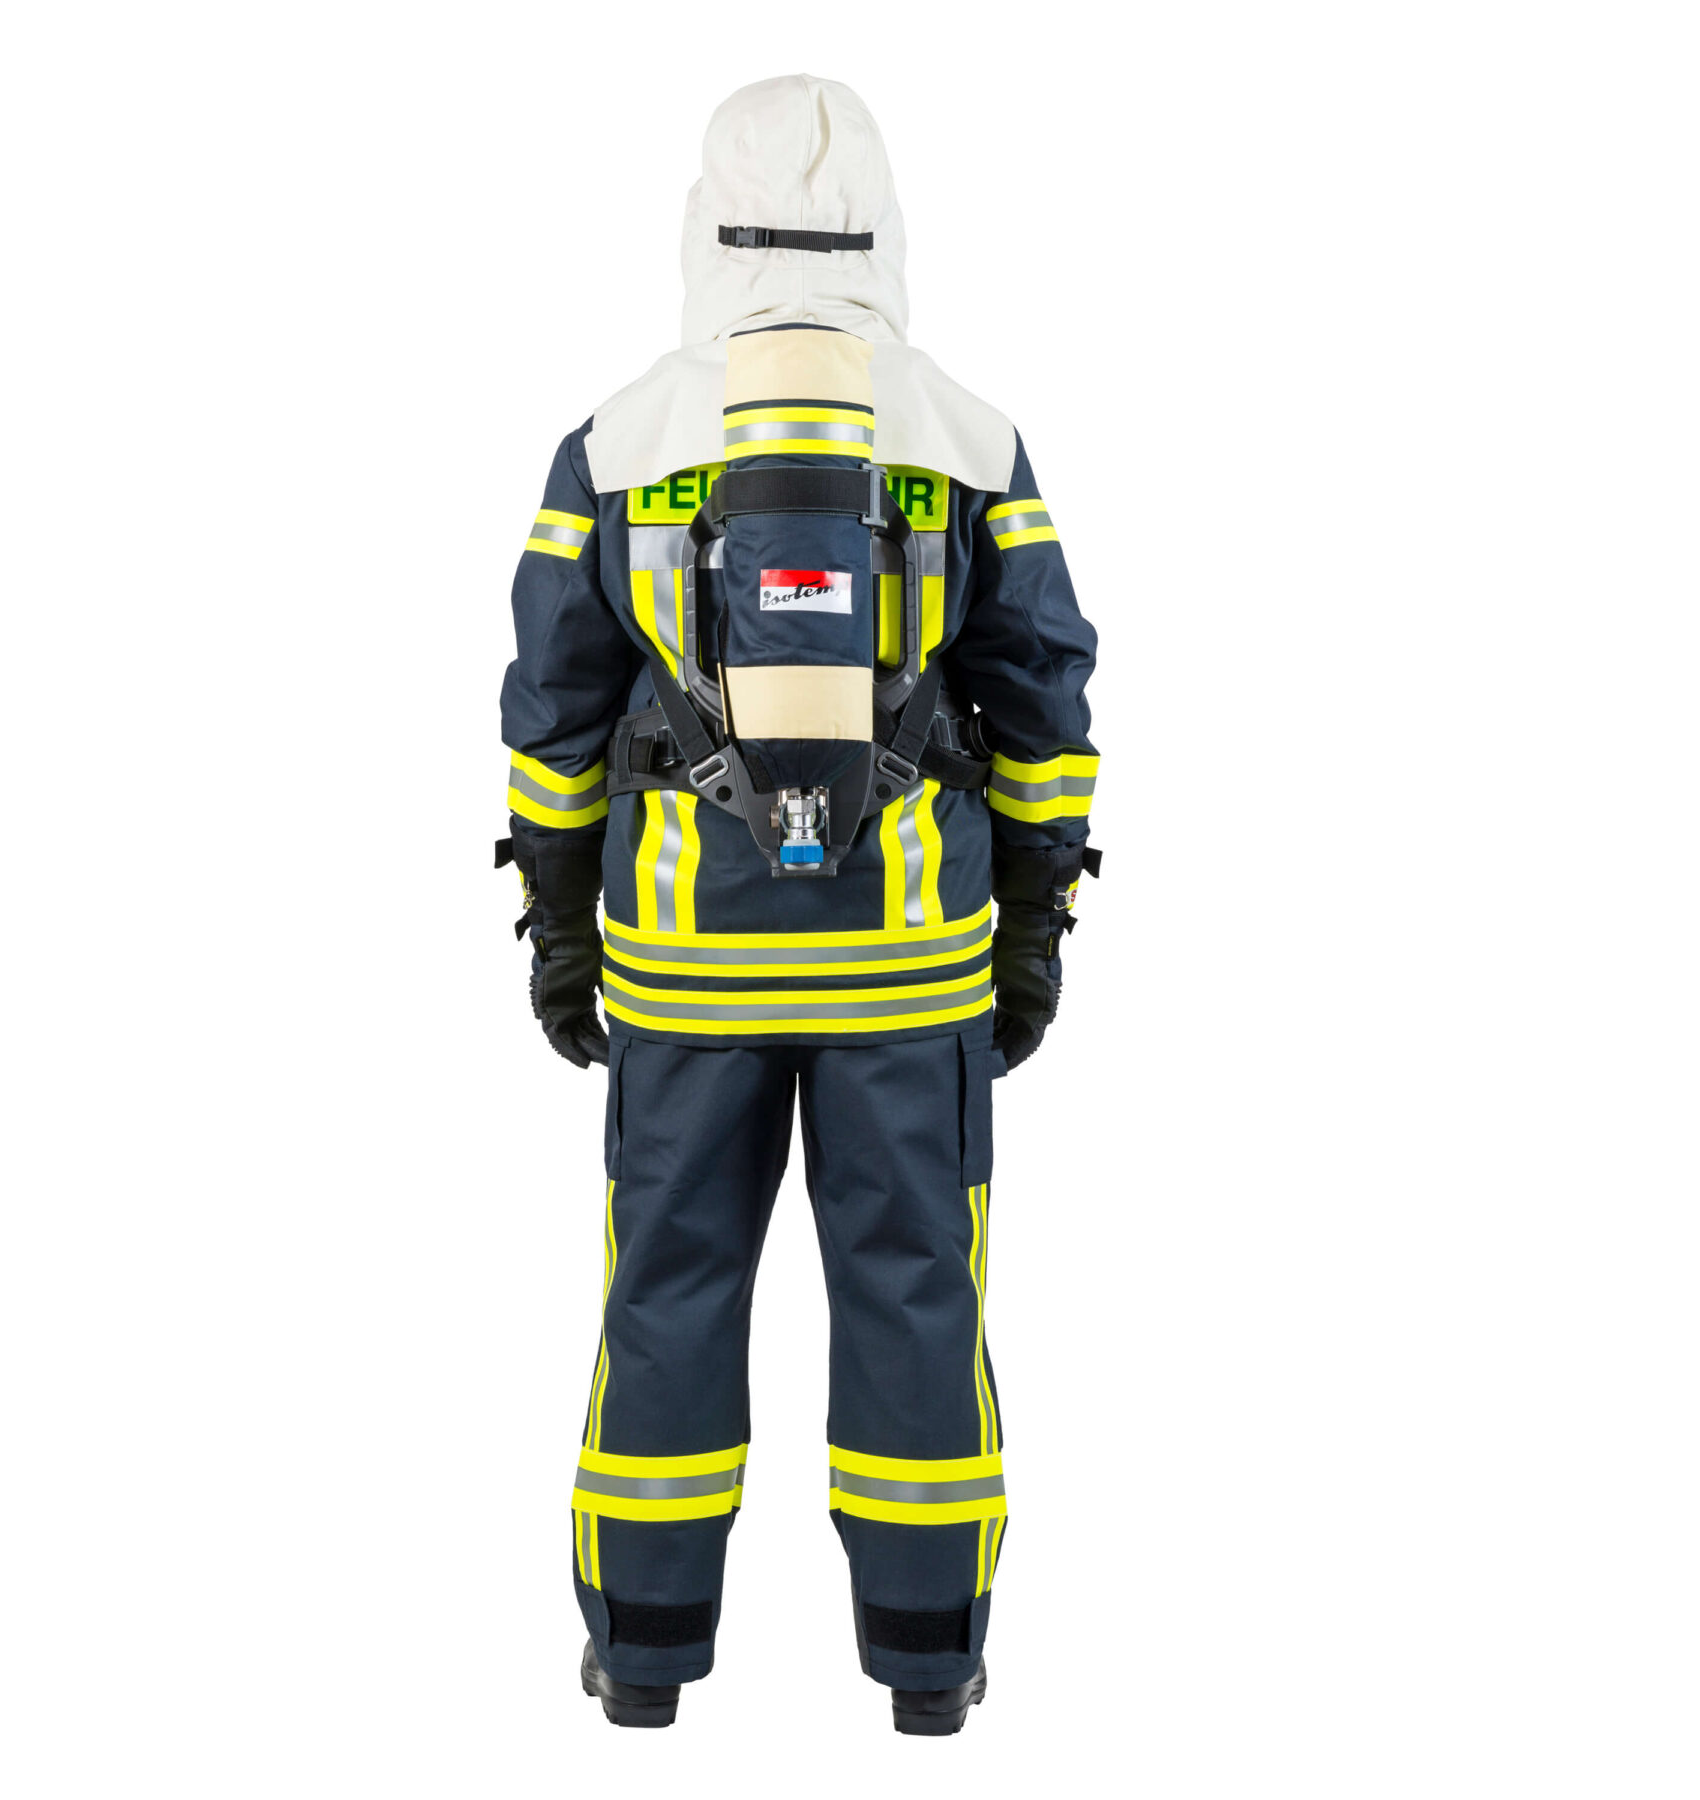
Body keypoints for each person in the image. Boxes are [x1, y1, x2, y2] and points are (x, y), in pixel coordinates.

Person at [497, 74, 1098, 1735]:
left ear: (703, 225)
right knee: (916, 1295)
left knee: (666, 1290)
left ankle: (642, 1661)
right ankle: (928, 1667)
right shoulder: (969, 438)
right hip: (912, 970)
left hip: (682, 968)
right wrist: (1032, 926)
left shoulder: (617, 442)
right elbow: (1045, 701)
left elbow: (552, 712)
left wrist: (562, 926)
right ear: (886, 228)